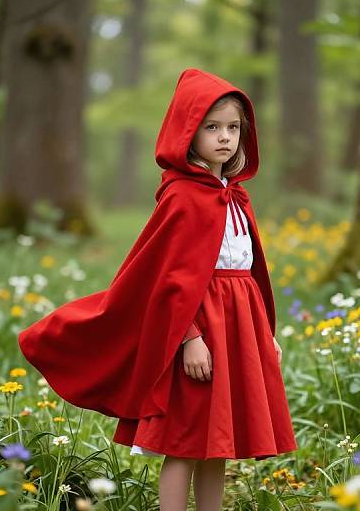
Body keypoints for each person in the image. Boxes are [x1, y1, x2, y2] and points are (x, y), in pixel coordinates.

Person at [18, 67, 297, 511]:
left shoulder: (236, 196)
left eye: (233, 128)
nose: (225, 138)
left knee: (218, 439)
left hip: (238, 325)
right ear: (188, 133)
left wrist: (264, 335)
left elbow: (249, 274)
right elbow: (169, 279)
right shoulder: (182, 196)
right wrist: (190, 340)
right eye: (212, 127)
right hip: (198, 329)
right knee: (184, 439)